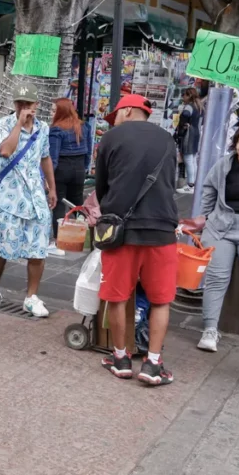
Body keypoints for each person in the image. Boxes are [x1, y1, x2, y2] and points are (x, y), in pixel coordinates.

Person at [95, 94, 179, 386]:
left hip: (121, 231)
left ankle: (120, 359)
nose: (113, 120)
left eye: (115, 114)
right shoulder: (169, 140)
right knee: (160, 300)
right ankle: (153, 364)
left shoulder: (111, 138)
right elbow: (172, 182)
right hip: (161, 230)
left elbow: (102, 186)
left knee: (116, 297)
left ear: (128, 110)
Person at [184, 124, 239, 352]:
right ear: (235, 143)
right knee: (216, 277)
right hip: (221, 225)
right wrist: (203, 219)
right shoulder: (224, 164)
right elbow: (209, 190)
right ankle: (210, 329)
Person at [0, 86, 57, 317]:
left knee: (37, 250)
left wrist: (52, 188)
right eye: (19, 103)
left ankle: (31, 297)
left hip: (35, 197)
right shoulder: (2, 126)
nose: (24, 107)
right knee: (2, 245)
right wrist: (18, 125)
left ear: (36, 105)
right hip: (10, 198)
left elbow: (45, 158)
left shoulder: (43, 128)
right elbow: (5, 151)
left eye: (28, 103)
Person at [49, 97, 92, 254]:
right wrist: (84, 167)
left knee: (59, 204)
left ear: (61, 111)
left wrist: (49, 179)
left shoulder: (56, 130)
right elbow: (88, 151)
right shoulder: (83, 126)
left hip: (62, 168)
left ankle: (58, 242)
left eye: (54, 110)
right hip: (79, 168)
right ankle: (83, 235)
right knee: (77, 203)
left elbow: (52, 157)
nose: (51, 113)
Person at [176, 87, 202, 194]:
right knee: (193, 159)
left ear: (189, 96)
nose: (183, 97)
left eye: (184, 95)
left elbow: (184, 117)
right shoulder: (199, 106)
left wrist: (183, 125)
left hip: (188, 134)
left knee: (188, 159)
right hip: (196, 132)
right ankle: (193, 184)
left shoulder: (189, 107)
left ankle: (191, 185)